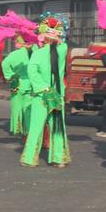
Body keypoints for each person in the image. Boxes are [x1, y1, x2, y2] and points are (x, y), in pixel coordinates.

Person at [20, 14, 70, 168]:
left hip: (42, 95)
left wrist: (42, 87)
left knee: (36, 128)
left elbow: (32, 70)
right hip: (57, 94)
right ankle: (58, 158)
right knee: (57, 128)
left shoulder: (38, 53)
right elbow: (62, 43)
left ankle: (29, 159)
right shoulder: (63, 50)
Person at [1, 29, 35, 137]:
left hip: (18, 82)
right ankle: (27, 128)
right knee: (27, 107)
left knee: (16, 106)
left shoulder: (14, 54)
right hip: (30, 83)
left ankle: (17, 128)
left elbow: (4, 64)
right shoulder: (34, 52)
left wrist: (10, 75)